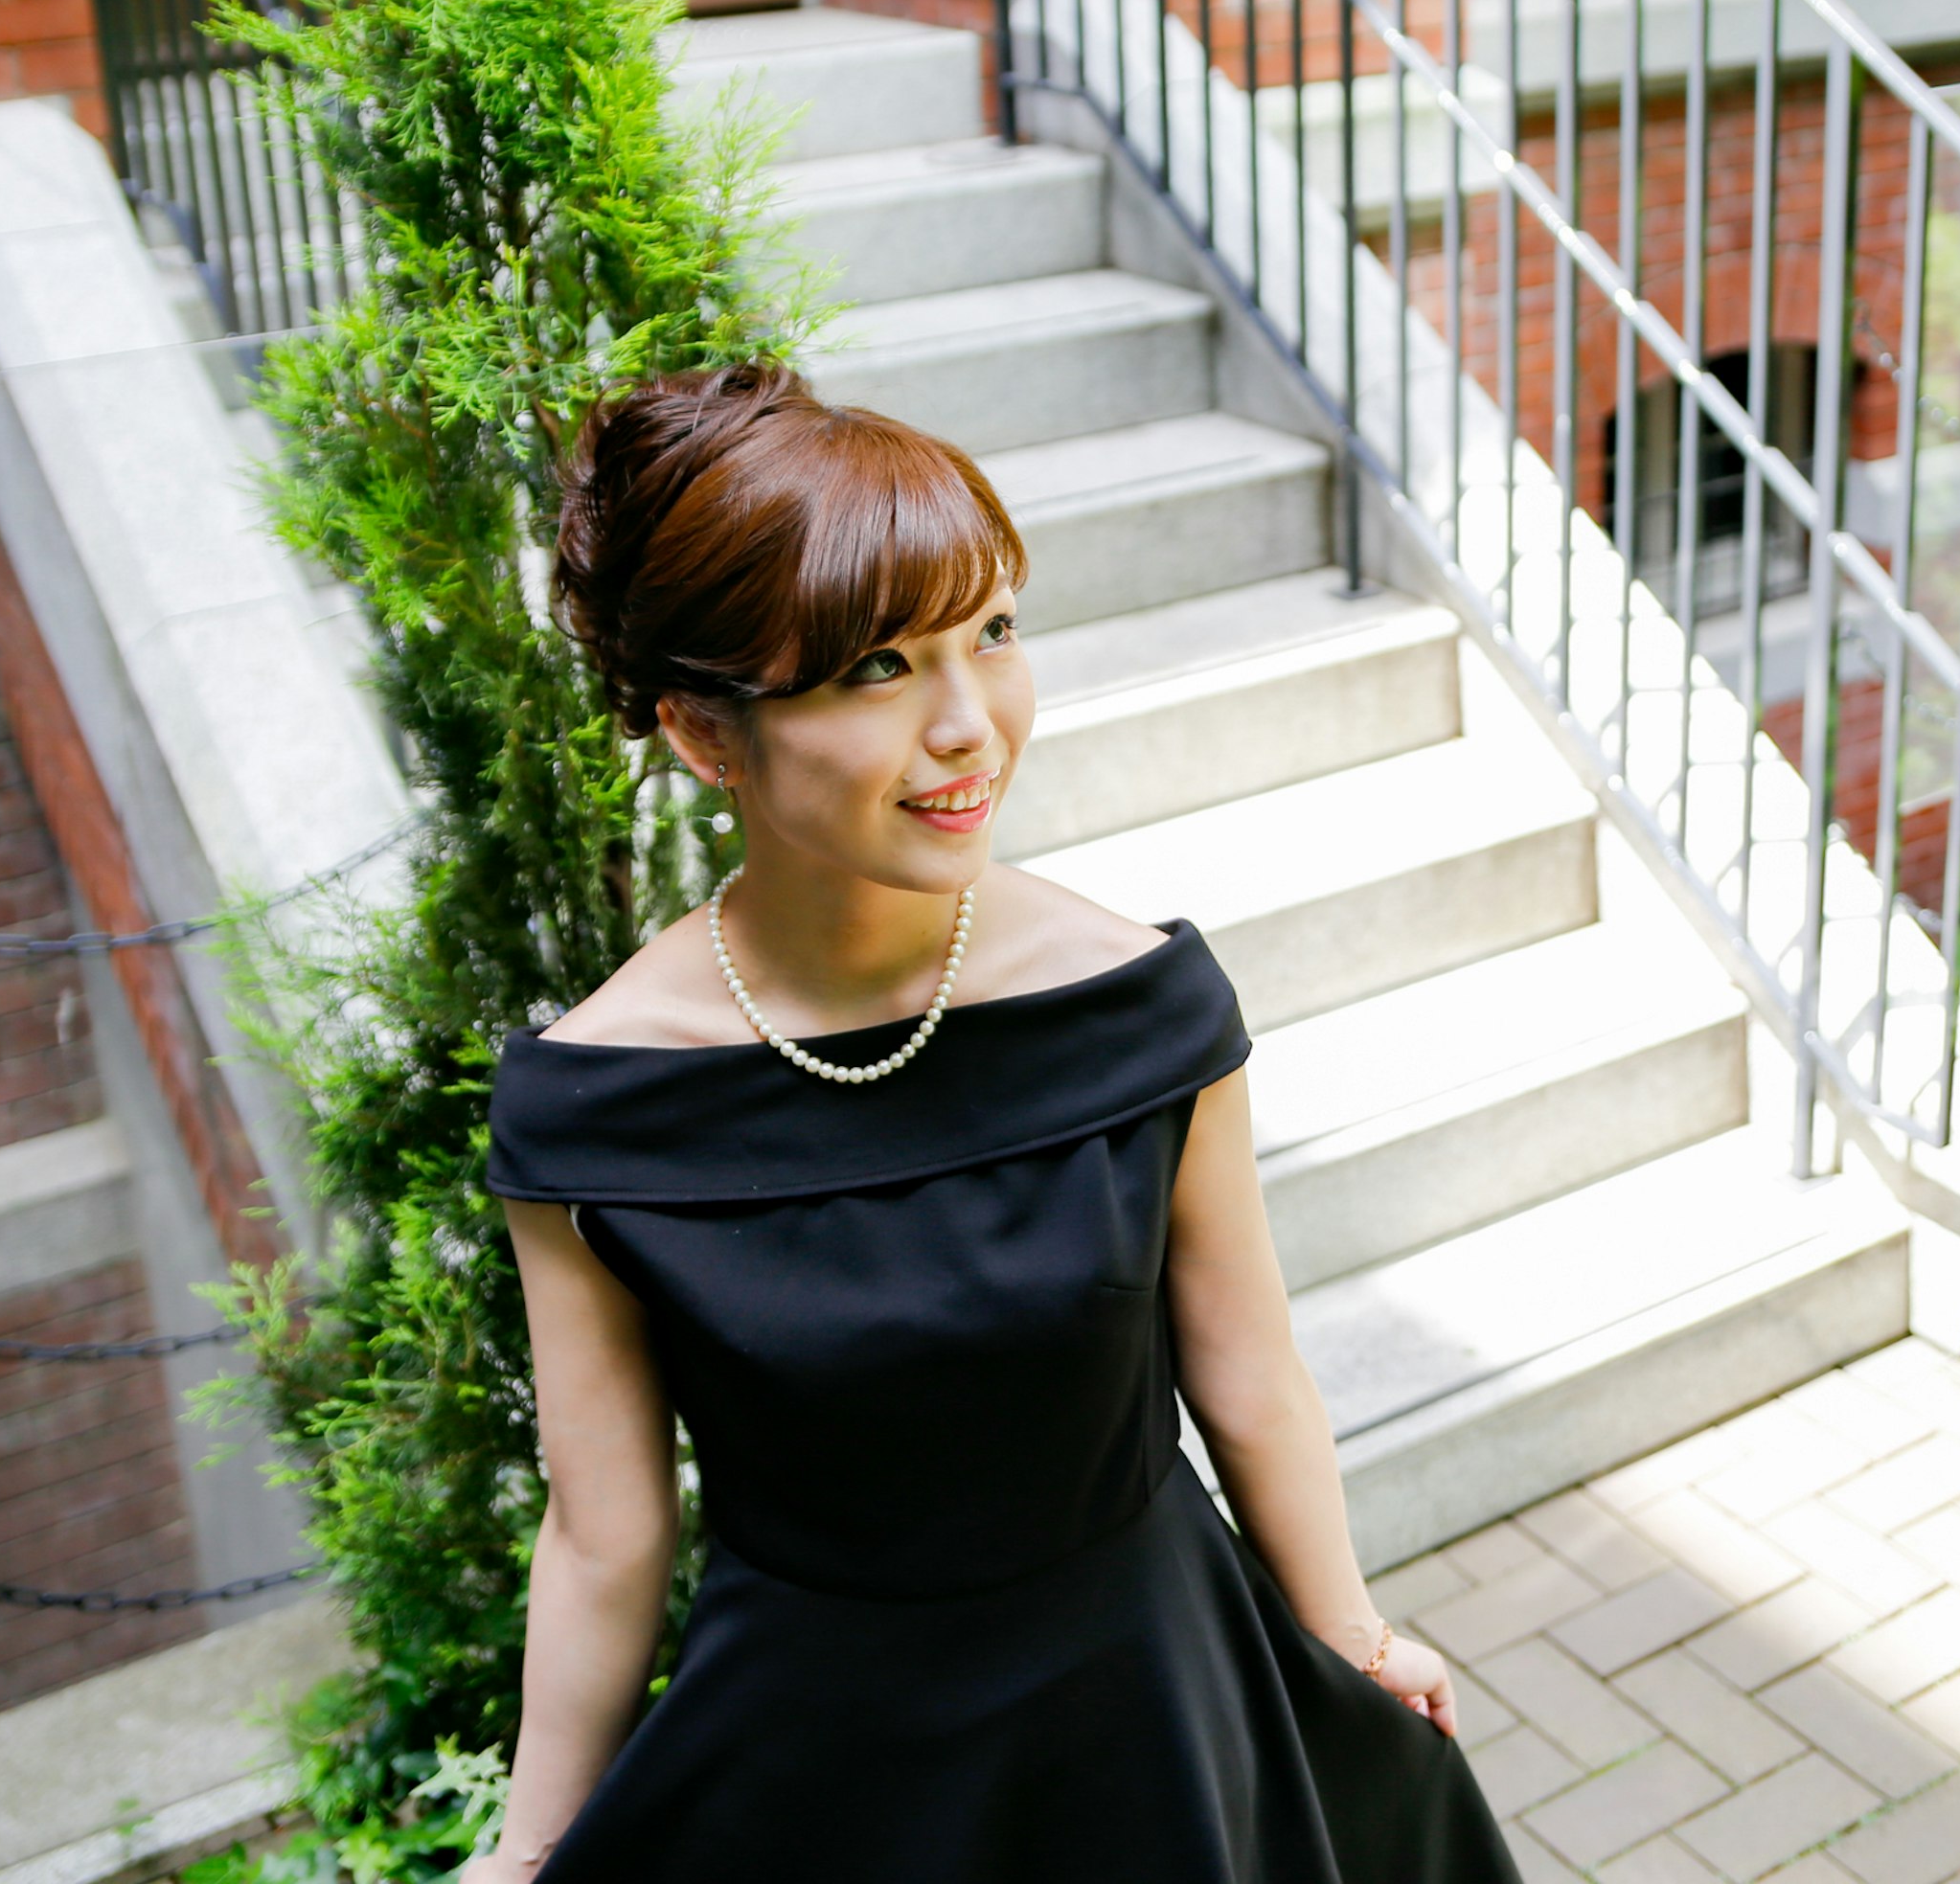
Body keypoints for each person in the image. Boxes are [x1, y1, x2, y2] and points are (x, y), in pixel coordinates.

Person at [463, 365, 1521, 1882]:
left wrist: (1349, 1633)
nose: (972, 727)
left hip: (1151, 1710)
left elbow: (1246, 1366)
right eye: (880, 668)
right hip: (824, 1770)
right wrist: (528, 1848)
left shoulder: (1139, 1006)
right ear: (707, 734)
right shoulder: (595, 1107)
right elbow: (605, 1532)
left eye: (995, 636)